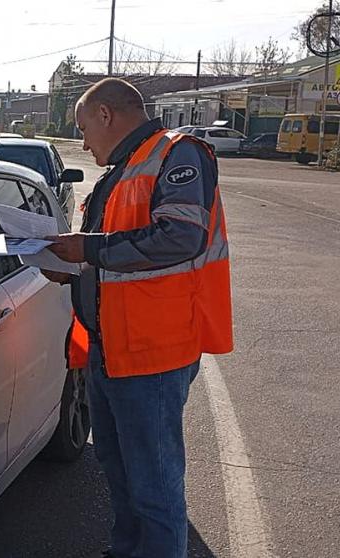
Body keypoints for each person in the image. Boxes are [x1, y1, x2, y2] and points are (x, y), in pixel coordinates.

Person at [43, 78, 233, 558]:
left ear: (106, 115)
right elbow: (119, 253)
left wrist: (87, 250)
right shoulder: (123, 168)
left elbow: (179, 238)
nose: (85, 143)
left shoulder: (176, 154)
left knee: (154, 484)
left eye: (84, 129)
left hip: (153, 353)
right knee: (120, 473)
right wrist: (75, 269)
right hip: (111, 347)